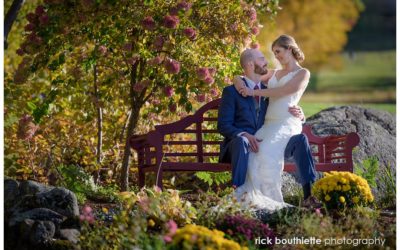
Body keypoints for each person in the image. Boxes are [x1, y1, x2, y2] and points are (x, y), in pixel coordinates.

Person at [218, 35, 318, 211]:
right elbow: (245, 74)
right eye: (273, 53)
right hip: (268, 126)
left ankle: (288, 197)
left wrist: (252, 93)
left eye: (278, 51)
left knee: (269, 151)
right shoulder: (274, 73)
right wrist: (238, 81)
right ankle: (250, 194)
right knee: (257, 154)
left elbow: (286, 91)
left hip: (286, 123)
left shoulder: (303, 73)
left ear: (289, 48)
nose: (276, 56)